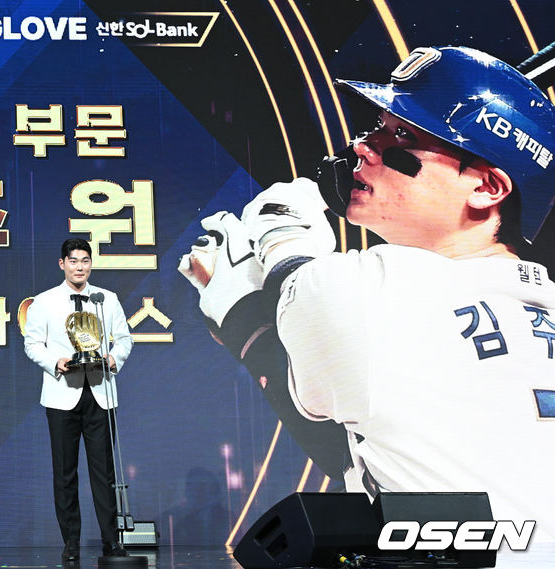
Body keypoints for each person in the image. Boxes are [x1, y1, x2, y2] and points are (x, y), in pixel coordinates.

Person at [182, 46, 555, 543]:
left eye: (403, 136)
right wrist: (245, 307)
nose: (362, 145)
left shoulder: (378, 287)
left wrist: (279, 228)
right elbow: (360, 453)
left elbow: (302, 286)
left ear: (487, 188)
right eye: (379, 126)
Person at [24, 238, 133, 562]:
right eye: (73, 261)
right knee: (65, 473)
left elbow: (124, 339)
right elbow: (32, 344)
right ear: (62, 264)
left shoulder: (106, 299)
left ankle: (111, 541)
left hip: (100, 393)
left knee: (104, 473)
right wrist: (55, 362)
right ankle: (71, 542)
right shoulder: (44, 301)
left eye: (85, 261)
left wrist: (113, 358)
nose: (80, 267)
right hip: (62, 396)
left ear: (91, 264)